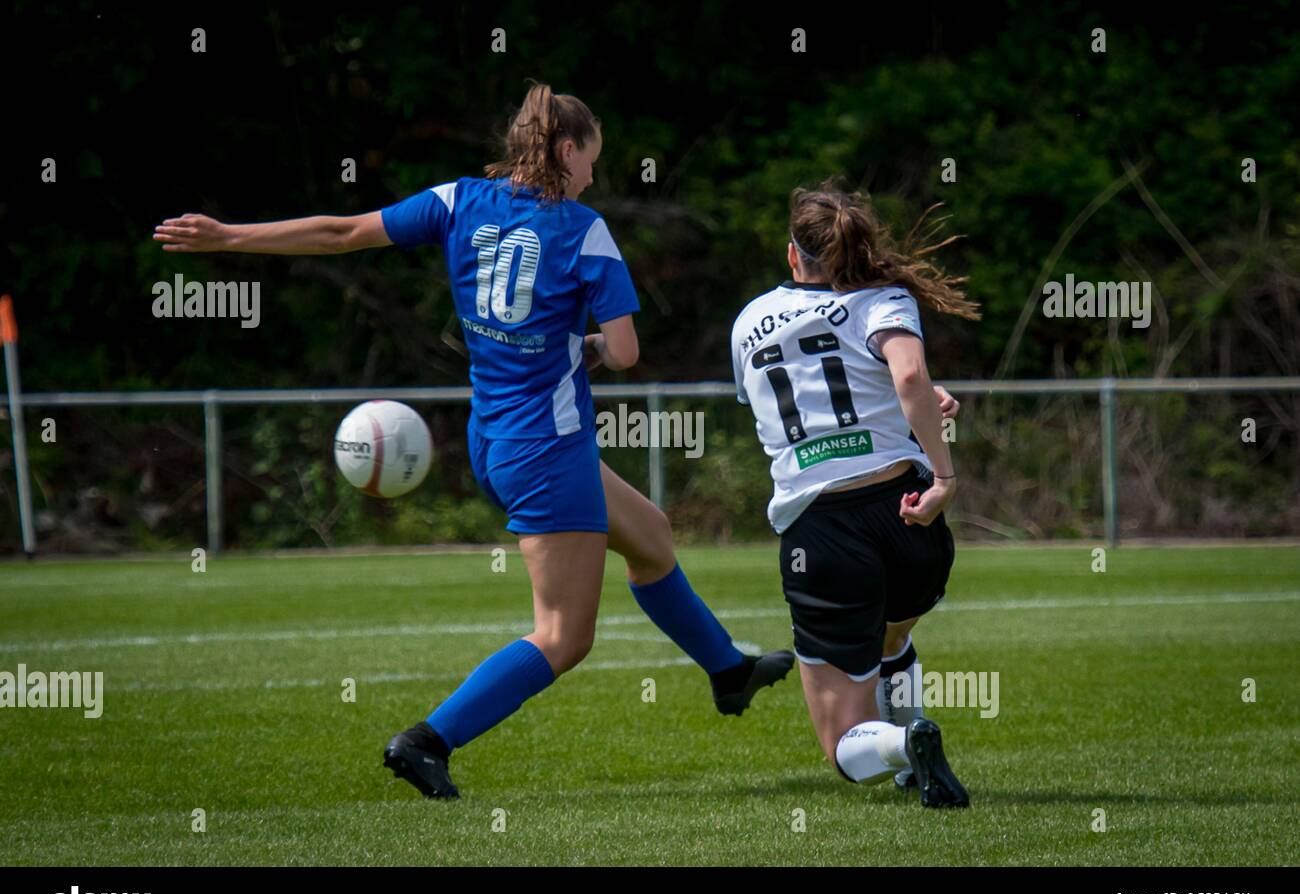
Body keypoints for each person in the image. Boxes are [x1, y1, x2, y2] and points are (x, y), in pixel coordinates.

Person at [153, 82, 793, 799]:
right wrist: (584, 346)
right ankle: (426, 741)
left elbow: (341, 233)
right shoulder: (583, 229)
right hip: (547, 451)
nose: (593, 177)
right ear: (566, 149)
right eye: (592, 161)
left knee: (649, 533)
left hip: (494, 439)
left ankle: (728, 671)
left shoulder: (457, 201)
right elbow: (627, 351)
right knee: (563, 636)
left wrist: (228, 237)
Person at [729, 180, 979, 807]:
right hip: (907, 514)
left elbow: (817, 399)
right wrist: (943, 473)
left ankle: (904, 745)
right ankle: (910, 764)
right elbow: (908, 377)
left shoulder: (750, 321)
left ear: (793, 255)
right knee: (894, 638)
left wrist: (910, 399)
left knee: (843, 748)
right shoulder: (882, 300)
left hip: (822, 532)